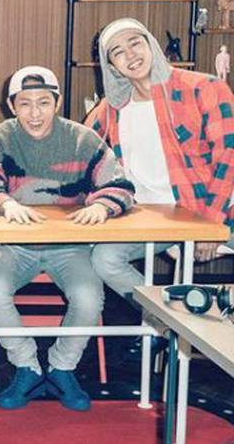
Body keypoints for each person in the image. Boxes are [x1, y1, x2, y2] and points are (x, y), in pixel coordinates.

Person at [0, 66, 135, 412]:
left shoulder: (82, 139)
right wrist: (5, 203)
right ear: (11, 105)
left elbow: (121, 185)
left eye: (44, 103)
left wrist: (102, 206)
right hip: (15, 244)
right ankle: (28, 367)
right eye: (25, 103)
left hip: (70, 246)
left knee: (89, 297)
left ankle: (63, 367)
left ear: (58, 102)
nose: (35, 113)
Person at [86, 18, 234, 313]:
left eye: (135, 43)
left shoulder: (204, 87)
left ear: (151, 44)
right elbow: (79, 149)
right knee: (104, 259)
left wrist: (210, 225)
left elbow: (229, 158)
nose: (130, 55)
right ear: (111, 66)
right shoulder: (112, 107)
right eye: (118, 52)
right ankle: (167, 320)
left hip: (212, 210)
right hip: (150, 216)